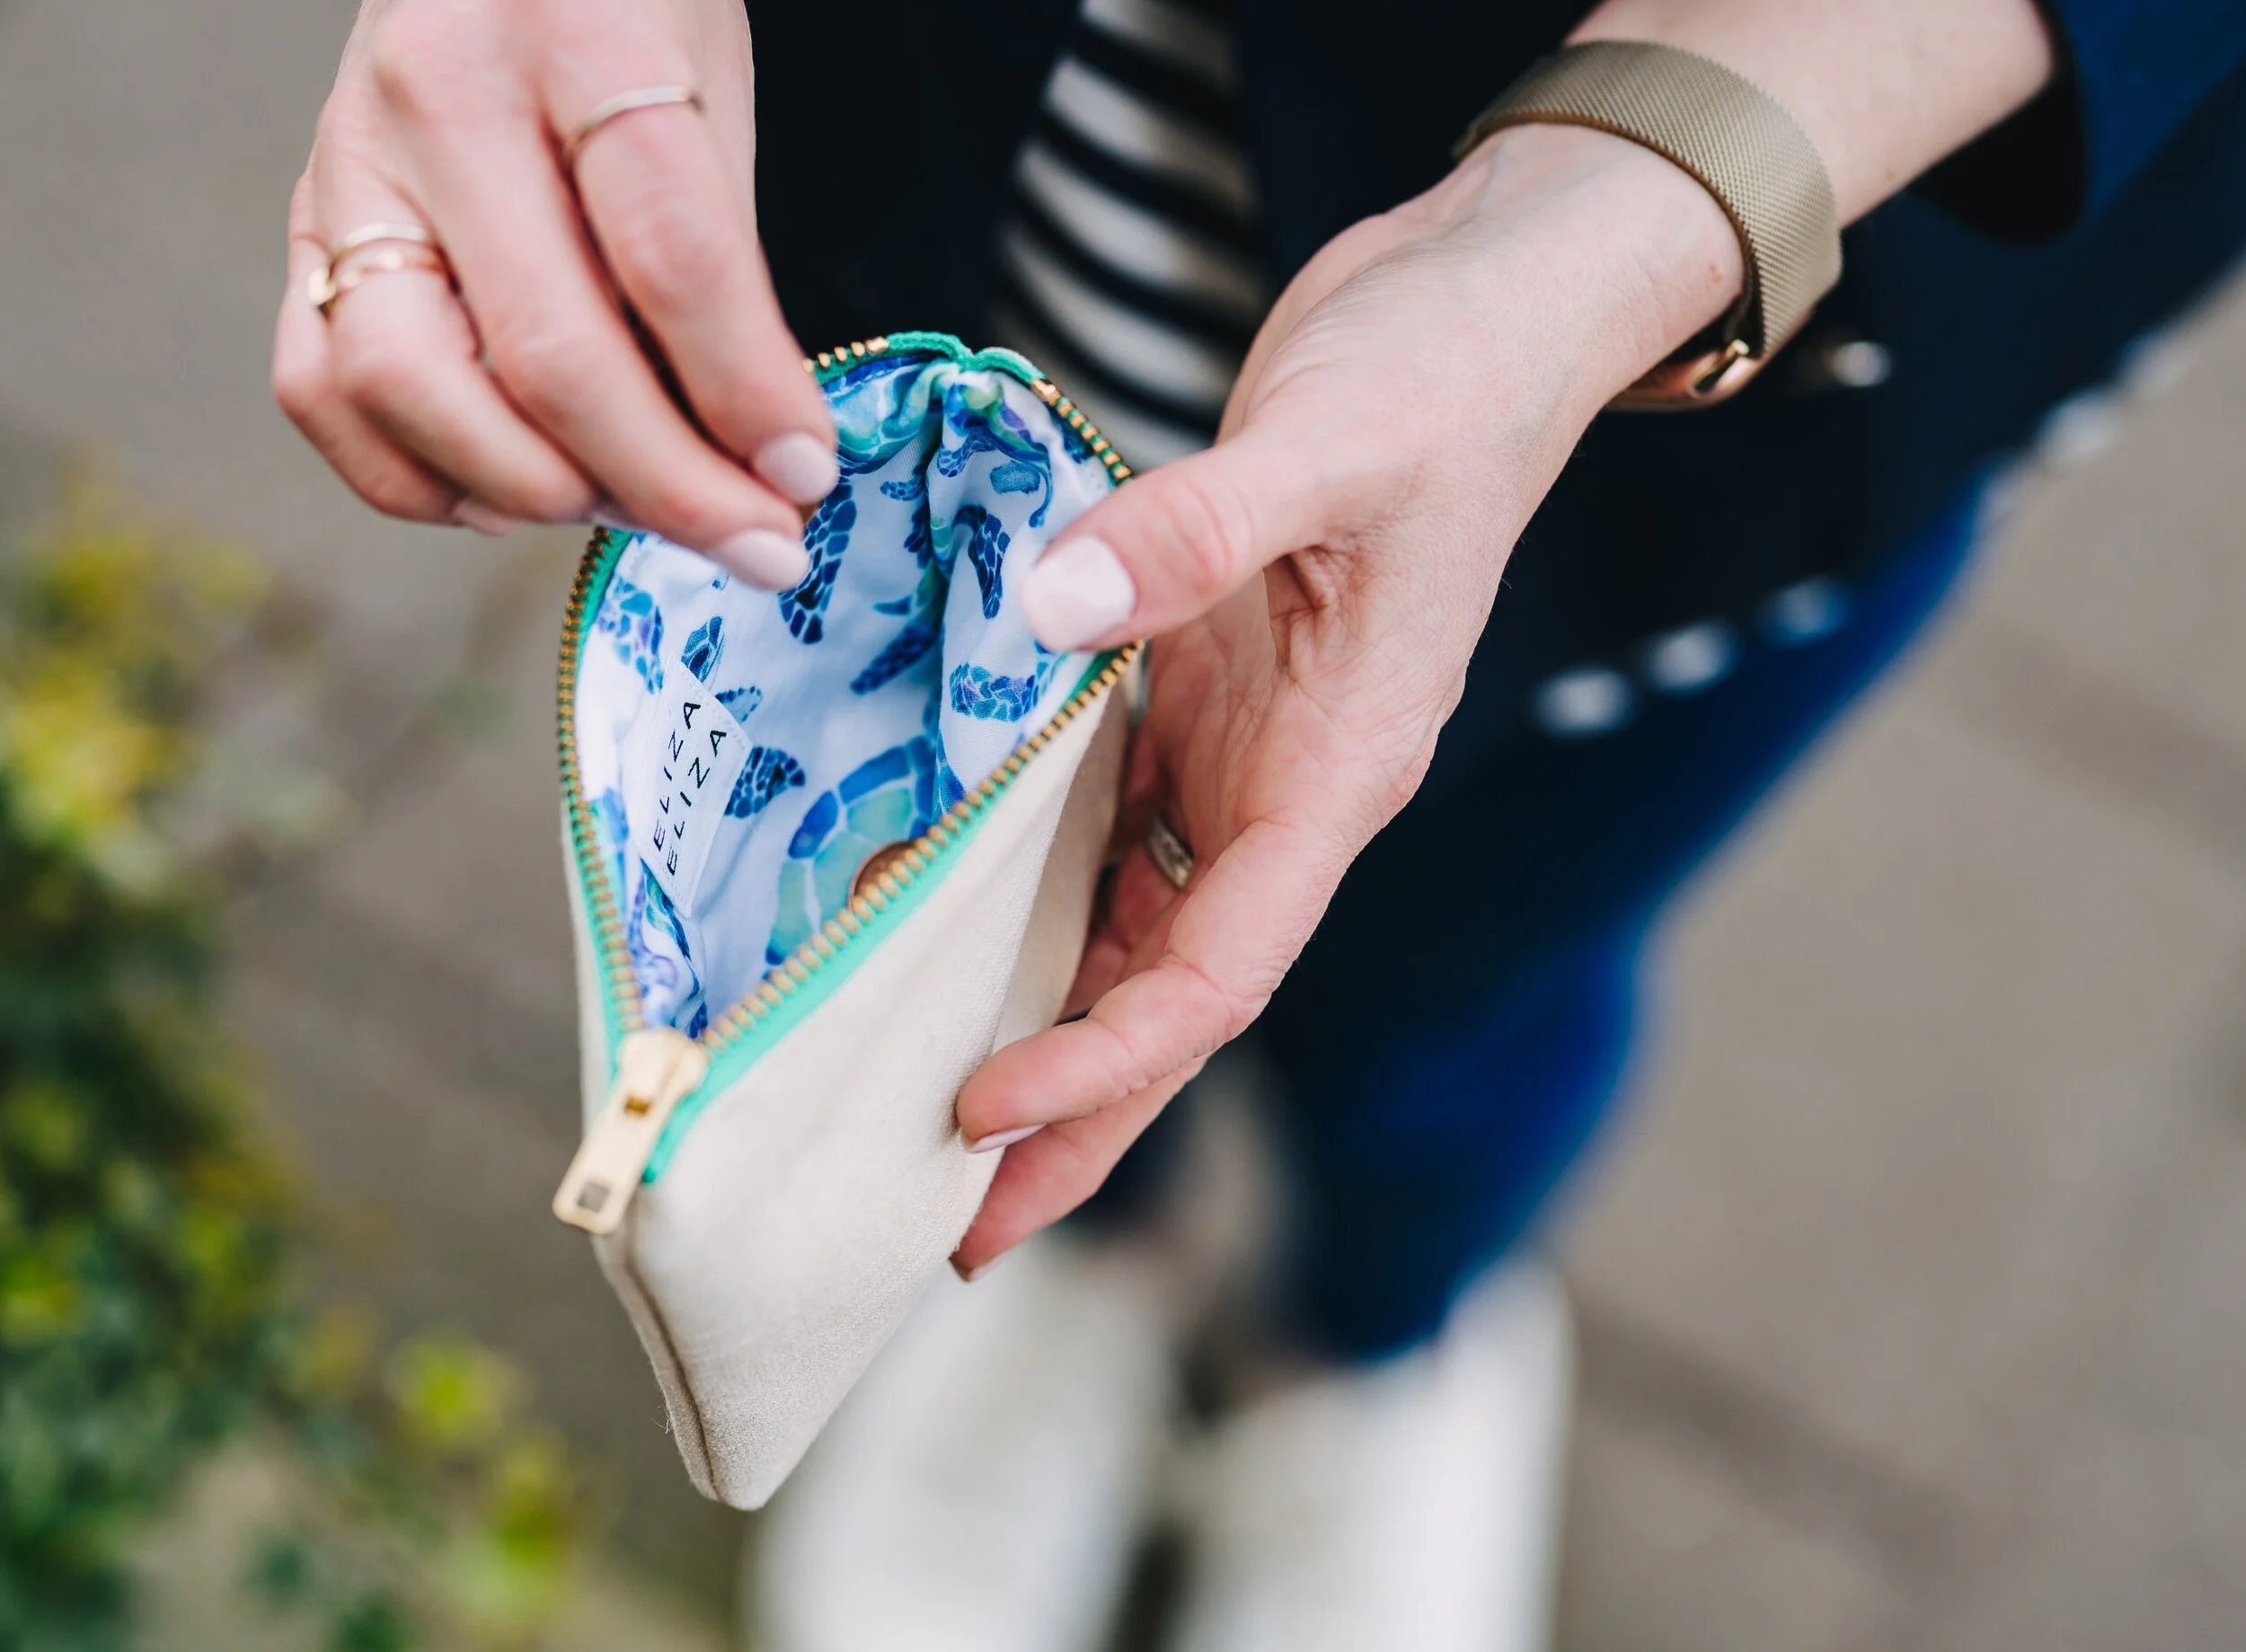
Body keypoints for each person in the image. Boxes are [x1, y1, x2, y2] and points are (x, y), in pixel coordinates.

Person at [273, 0, 2246, 1646]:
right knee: (995, 981)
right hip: (931, 169)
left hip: (1728, 325)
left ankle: (1381, 1339)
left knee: (1469, 979)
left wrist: (1619, 204)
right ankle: (1049, 1267)